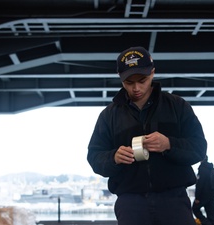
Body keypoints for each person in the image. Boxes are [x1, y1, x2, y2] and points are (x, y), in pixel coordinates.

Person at [87, 46, 207, 225]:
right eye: (129, 82)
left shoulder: (178, 106)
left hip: (174, 200)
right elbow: (94, 157)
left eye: (142, 80)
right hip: (130, 203)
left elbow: (199, 148)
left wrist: (169, 144)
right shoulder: (109, 115)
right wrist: (113, 157)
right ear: (120, 78)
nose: (136, 88)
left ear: (152, 73)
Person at [192, 156, 214, 225]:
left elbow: (200, 184)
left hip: (204, 195)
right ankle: (211, 223)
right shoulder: (211, 168)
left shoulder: (202, 169)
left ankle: (206, 222)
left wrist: (197, 197)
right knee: (211, 213)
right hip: (212, 194)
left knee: (195, 208)